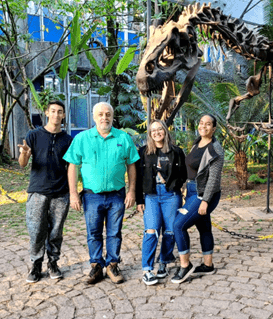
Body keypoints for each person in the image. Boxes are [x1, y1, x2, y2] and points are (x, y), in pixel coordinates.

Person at [63, 102, 139, 285]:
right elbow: (73, 166)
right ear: (94, 117)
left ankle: (113, 264)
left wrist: (132, 191)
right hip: (92, 196)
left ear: (113, 117)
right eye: (100, 114)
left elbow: (132, 165)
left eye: (108, 114)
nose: (104, 117)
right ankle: (96, 266)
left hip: (117, 195)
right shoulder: (82, 138)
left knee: (115, 233)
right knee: (93, 232)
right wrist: (73, 193)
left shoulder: (124, 137)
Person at [18, 100, 73, 283]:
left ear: (63, 115)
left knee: (56, 231)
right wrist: (25, 154)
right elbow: (23, 163)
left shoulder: (68, 140)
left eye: (60, 112)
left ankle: (53, 263)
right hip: (38, 190)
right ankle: (35, 264)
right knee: (36, 230)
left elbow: (70, 167)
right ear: (47, 113)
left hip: (60, 192)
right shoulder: (34, 135)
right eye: (53, 111)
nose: (56, 115)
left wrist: (73, 191)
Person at [171, 114, 224, 284]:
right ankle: (208, 265)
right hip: (193, 190)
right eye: (201, 123)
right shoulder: (197, 142)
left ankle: (185, 265)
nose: (203, 126)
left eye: (208, 124)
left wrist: (205, 201)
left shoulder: (216, 149)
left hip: (204, 194)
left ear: (214, 128)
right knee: (204, 227)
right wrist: (187, 188)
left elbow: (213, 179)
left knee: (178, 225)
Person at [136, 120, 187, 285]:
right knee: (151, 230)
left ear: (165, 131)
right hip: (151, 195)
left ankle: (163, 263)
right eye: (153, 130)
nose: (157, 132)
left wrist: (174, 186)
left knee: (170, 231)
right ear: (150, 134)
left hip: (171, 195)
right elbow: (137, 178)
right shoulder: (143, 152)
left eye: (160, 129)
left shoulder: (176, 151)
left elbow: (183, 174)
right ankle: (147, 270)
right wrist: (139, 200)